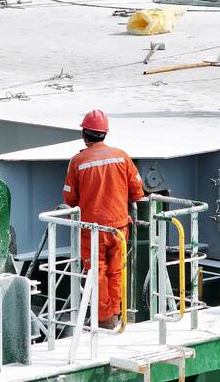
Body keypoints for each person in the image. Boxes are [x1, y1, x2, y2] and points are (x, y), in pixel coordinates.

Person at [62, 109, 144, 329]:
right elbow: (138, 191)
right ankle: (115, 314)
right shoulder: (122, 156)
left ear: (85, 134)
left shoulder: (78, 161)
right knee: (116, 271)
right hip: (119, 227)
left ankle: (105, 319)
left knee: (96, 273)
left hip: (93, 229)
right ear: (105, 133)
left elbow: (70, 198)